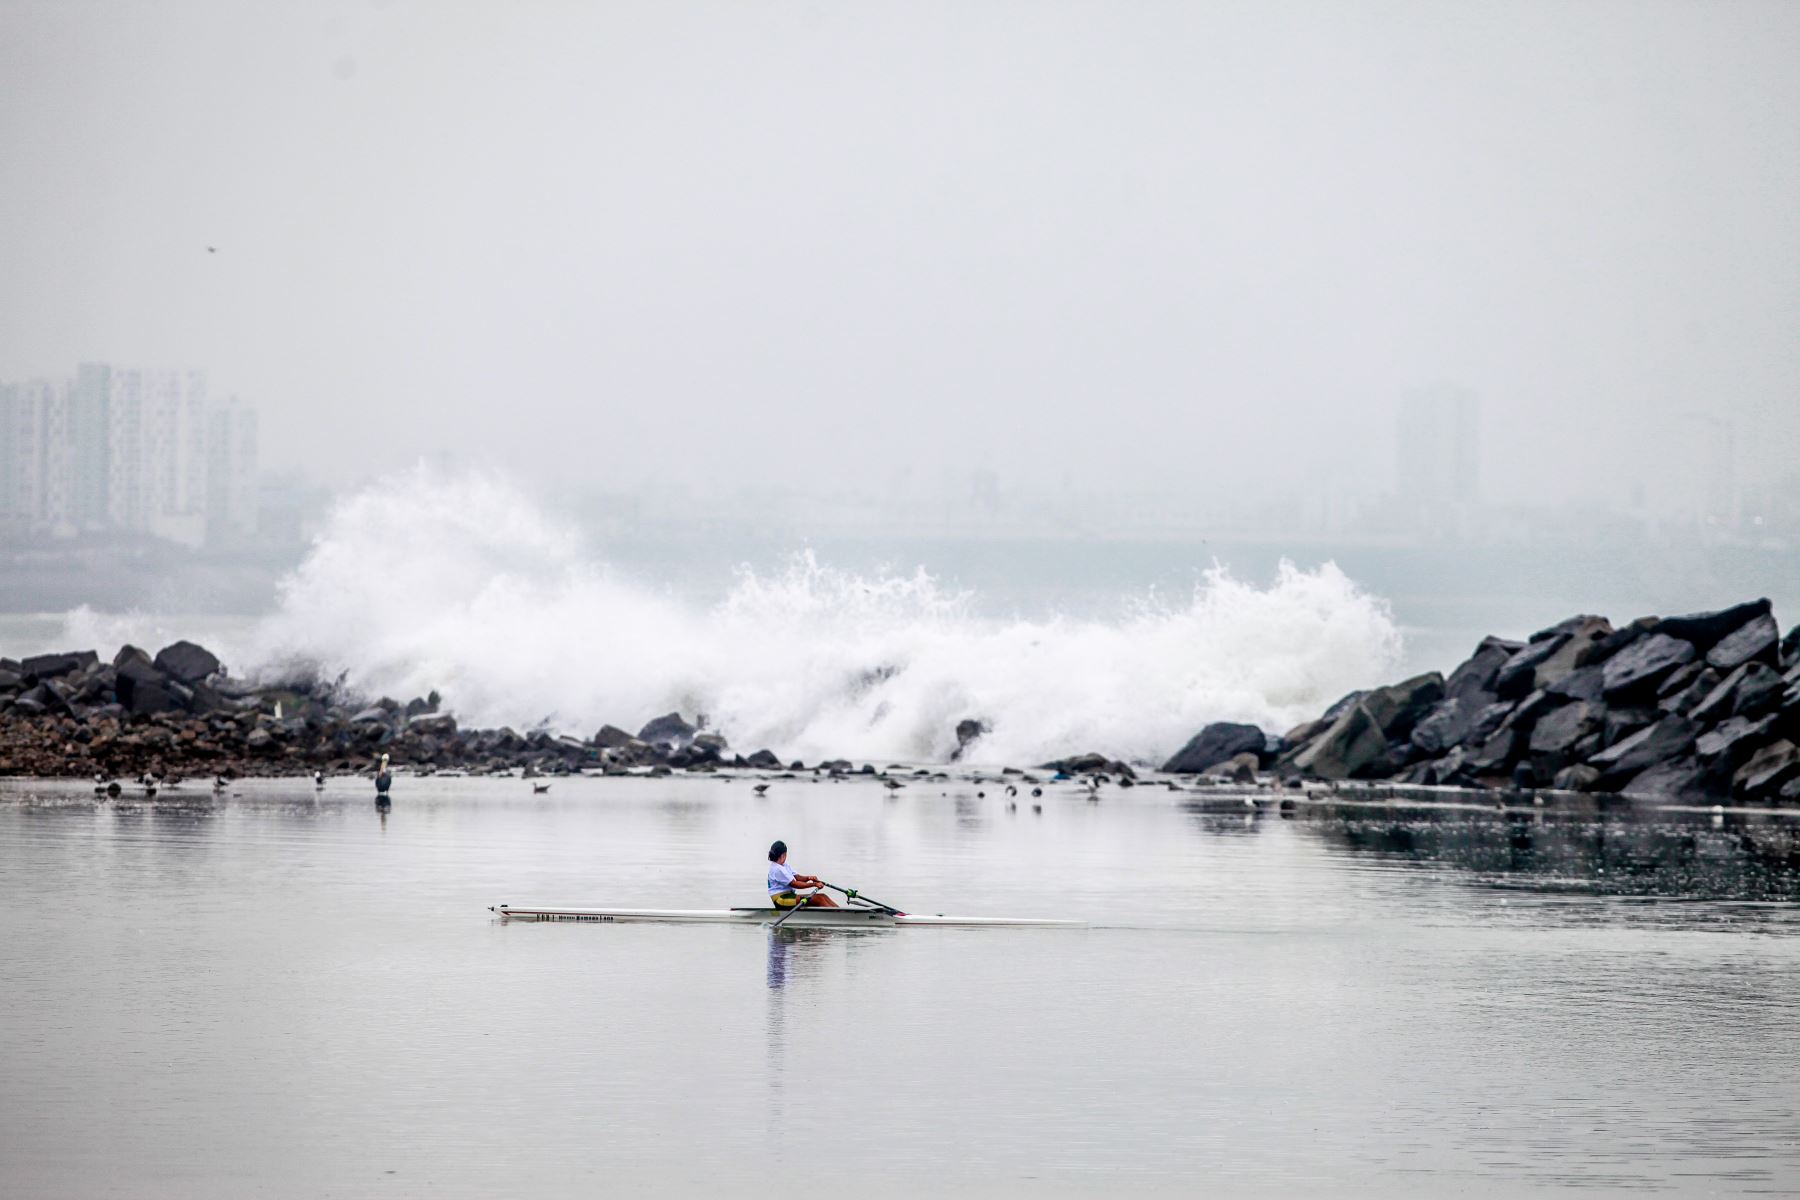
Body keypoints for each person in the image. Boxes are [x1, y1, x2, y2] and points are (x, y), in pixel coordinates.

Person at [767, 840, 838, 909]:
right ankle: (839, 917)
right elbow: (795, 884)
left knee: (823, 896)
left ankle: (841, 912)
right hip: (781, 900)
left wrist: (809, 878)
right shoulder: (777, 869)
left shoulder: (784, 865)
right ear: (783, 855)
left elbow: (797, 877)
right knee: (819, 899)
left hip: (789, 896)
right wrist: (814, 884)